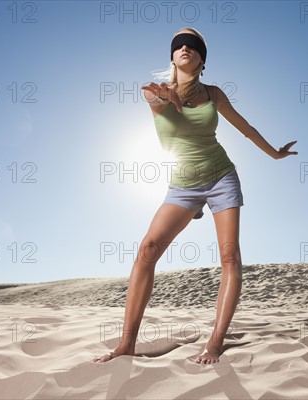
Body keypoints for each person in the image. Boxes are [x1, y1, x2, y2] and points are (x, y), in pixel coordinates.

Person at [93, 27, 297, 365]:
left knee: (230, 257)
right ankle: (126, 344)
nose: (185, 48)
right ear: (172, 57)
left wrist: (275, 154)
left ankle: (214, 343)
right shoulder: (154, 93)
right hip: (183, 186)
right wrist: (168, 104)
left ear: (202, 59)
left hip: (221, 178)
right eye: (178, 46)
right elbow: (169, 129)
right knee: (147, 249)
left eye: (193, 46)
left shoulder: (214, 94)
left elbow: (245, 129)